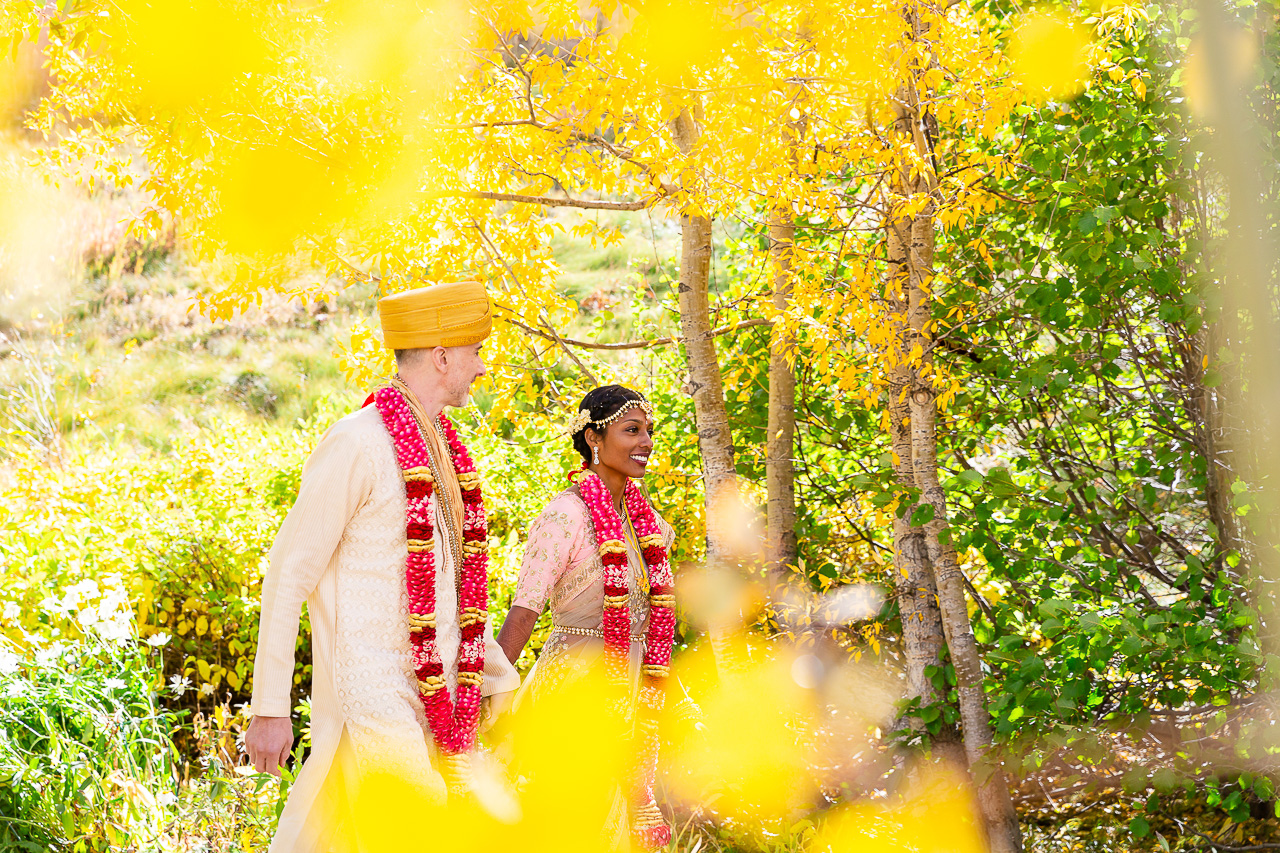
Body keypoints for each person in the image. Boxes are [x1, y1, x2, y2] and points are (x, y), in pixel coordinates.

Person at [244, 280, 521, 853]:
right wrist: (269, 708)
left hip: (436, 689)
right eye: (475, 351)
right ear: (442, 357)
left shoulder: (443, 445)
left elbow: (451, 584)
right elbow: (287, 572)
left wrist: (488, 668)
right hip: (370, 686)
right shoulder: (357, 442)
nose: (483, 366)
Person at [496, 384, 679, 849]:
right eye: (631, 430)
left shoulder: (649, 526)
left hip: (634, 692)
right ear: (594, 440)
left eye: (649, 431)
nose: (646, 442)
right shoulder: (565, 516)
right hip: (575, 693)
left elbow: (652, 624)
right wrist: (488, 690)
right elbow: (525, 609)